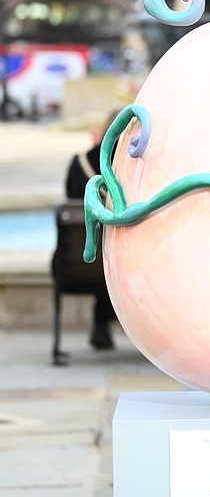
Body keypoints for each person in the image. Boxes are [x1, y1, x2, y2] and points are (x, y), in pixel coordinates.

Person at [62, 110, 119, 349]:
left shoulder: (79, 164)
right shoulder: (136, 171)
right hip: (119, 264)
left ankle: (100, 325)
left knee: (100, 248)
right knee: (115, 255)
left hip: (73, 266)